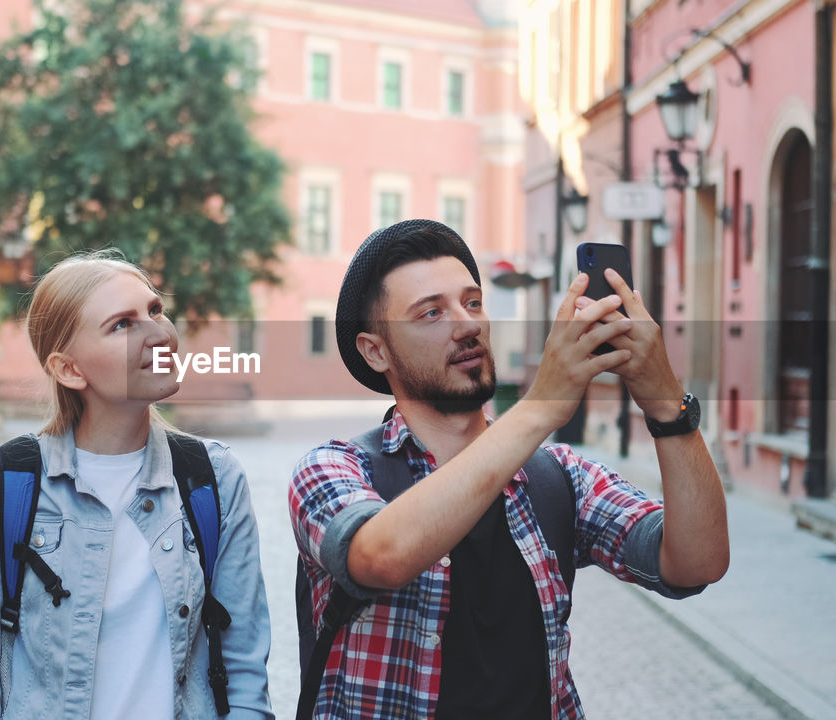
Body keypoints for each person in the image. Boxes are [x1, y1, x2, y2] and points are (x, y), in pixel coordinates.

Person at [290, 219, 730, 719]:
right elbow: (379, 557)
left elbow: (698, 562)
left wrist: (668, 408)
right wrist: (541, 406)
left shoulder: (559, 476)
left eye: (472, 302)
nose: (467, 324)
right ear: (376, 350)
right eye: (431, 312)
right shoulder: (334, 468)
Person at [0, 251, 274, 720]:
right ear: (70, 370)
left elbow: (244, 678)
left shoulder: (213, 480)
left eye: (155, 311)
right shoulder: (2, 489)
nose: (159, 335)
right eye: (122, 324)